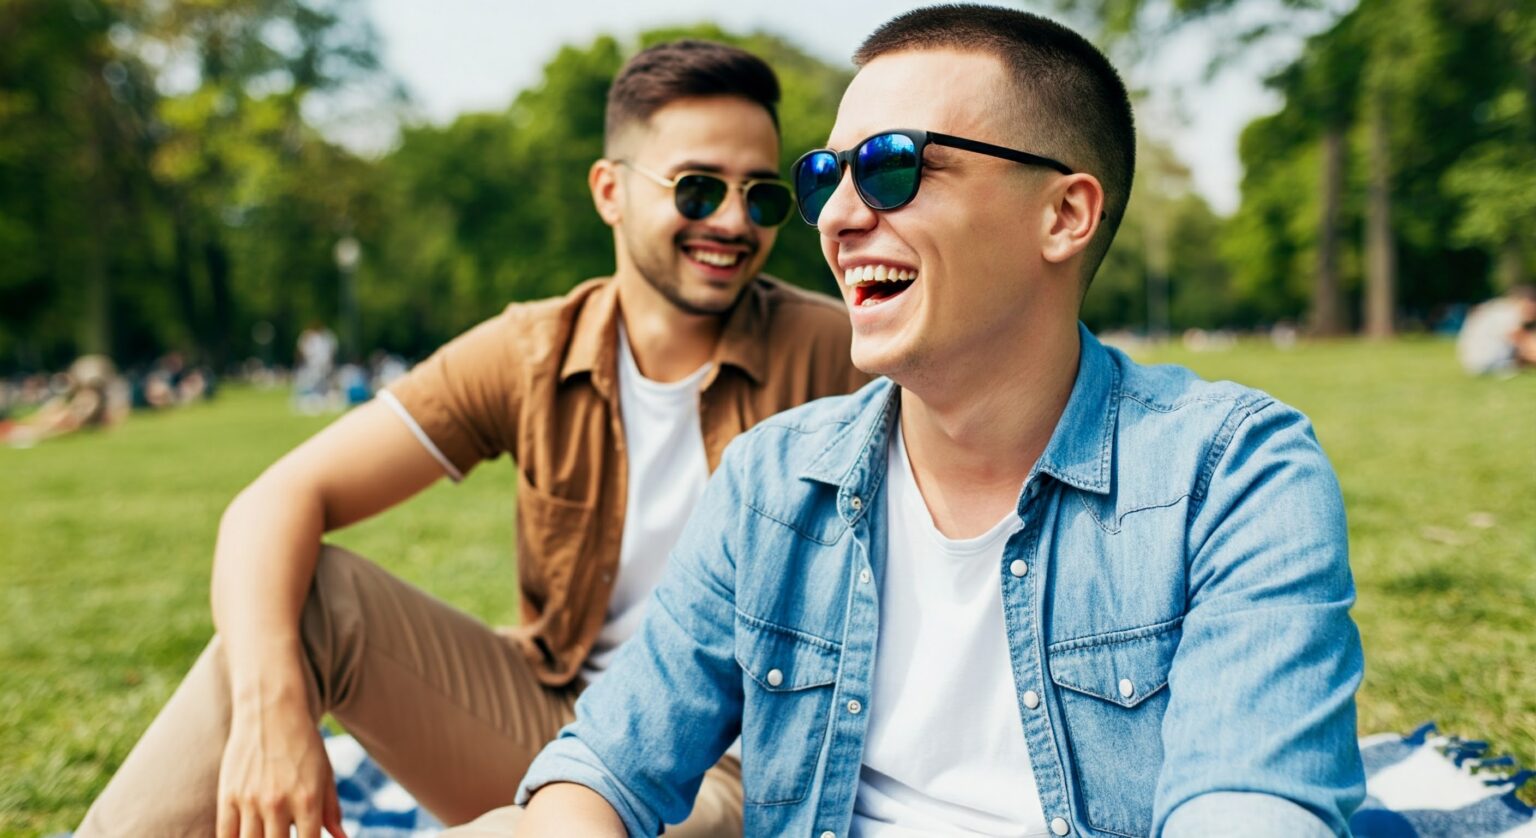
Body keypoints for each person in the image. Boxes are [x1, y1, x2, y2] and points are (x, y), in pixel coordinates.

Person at [505, 7, 1366, 838]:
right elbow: (603, 769)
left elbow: (1249, 807)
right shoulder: (770, 481)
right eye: (822, 177)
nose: (838, 218)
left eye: (891, 167)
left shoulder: (1231, 475)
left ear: (1064, 214)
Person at [77, 39, 866, 838]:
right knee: (308, 603)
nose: (733, 221)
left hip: (721, 761)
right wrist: (272, 714)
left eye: (762, 197)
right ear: (609, 191)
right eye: (697, 190)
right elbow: (275, 500)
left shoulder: (836, 349)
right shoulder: (533, 350)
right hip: (551, 718)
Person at [1456, 284, 1536, 375]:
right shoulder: (1509, 313)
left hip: (1473, 363)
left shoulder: (1497, 308)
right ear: (1526, 301)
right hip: (1487, 364)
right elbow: (1525, 342)